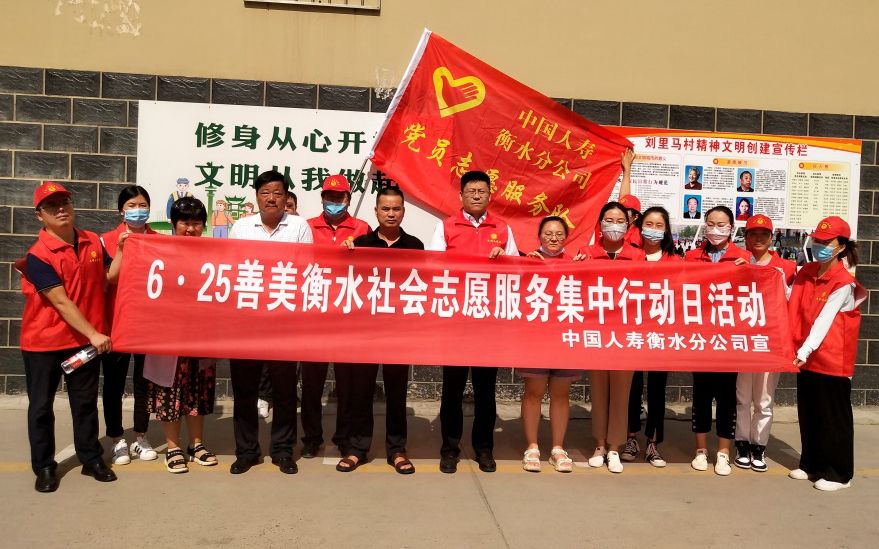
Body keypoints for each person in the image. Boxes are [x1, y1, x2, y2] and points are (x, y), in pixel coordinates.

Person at [18, 181, 124, 492]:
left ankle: (91, 459)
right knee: (41, 407)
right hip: (44, 343)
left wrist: (121, 249)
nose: (61, 209)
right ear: (40, 215)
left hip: (82, 344)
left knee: (85, 403)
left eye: (65, 202)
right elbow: (61, 301)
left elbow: (109, 277)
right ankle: (44, 467)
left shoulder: (92, 242)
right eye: (52, 206)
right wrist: (94, 333)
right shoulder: (38, 256)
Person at [428, 170, 518, 474]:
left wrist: (504, 259)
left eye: (482, 191)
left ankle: (484, 448)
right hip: (456, 321)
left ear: (490, 194)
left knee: (485, 390)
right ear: (461, 196)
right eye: (471, 191)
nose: (476, 195)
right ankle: (449, 449)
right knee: (452, 390)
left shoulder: (502, 228)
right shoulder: (446, 227)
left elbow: (516, 271)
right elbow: (433, 268)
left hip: (489, 323)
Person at [228, 170, 313, 475]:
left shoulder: (299, 227)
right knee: (245, 391)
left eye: (277, 193)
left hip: (284, 321)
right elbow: (233, 269)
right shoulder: (242, 227)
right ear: (257, 197)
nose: (271, 198)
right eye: (265, 193)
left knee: (285, 390)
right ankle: (247, 451)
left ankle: (282, 450)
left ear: (286, 197)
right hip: (247, 321)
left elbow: (306, 270)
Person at [336, 186, 424, 473]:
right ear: (376, 211)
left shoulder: (415, 246)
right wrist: (344, 255)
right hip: (366, 331)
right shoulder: (360, 244)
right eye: (385, 208)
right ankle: (357, 448)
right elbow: (343, 280)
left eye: (396, 208)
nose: (391, 214)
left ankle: (396, 449)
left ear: (403, 212)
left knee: (397, 392)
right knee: (361, 391)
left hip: (399, 332)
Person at [788, 216, 865, 491]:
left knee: (833, 416)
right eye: (817, 240)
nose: (819, 245)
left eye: (826, 242)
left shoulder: (842, 281)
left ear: (841, 246)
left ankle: (839, 474)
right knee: (810, 412)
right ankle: (811, 463)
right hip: (807, 356)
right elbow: (789, 297)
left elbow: (825, 318)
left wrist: (806, 349)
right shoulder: (808, 271)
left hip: (831, 357)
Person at [144, 197, 219, 474]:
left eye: (197, 223)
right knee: (170, 391)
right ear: (173, 224)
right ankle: (173, 446)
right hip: (168, 337)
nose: (190, 228)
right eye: (185, 222)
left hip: (201, 336)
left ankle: (196, 444)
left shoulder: (214, 254)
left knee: (198, 392)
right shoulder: (159, 252)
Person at [301, 174, 370, 459]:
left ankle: (344, 436)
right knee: (311, 382)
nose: (334, 202)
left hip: (347, 317)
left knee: (347, 383)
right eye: (329, 197)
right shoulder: (307, 226)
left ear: (348, 199)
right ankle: (311, 437)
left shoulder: (362, 228)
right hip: (315, 314)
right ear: (322, 199)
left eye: (339, 197)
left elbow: (371, 268)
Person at [574, 202, 644, 474]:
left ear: (628, 225)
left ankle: (615, 446)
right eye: (609, 220)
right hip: (597, 334)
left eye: (620, 220)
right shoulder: (587, 253)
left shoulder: (637, 255)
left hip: (626, 335)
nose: (614, 225)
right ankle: (600, 445)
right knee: (599, 391)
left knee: (621, 394)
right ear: (600, 224)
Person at [685, 206, 752, 476]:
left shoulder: (743, 257)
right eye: (711, 223)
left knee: (727, 397)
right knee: (701, 395)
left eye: (721, 224)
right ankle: (701, 450)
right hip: (701, 338)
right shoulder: (692, 257)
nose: (715, 229)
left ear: (731, 228)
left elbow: (755, 290)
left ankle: (723, 452)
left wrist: (749, 271)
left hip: (728, 339)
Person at [100, 185, 158, 466]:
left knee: (144, 382)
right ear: (121, 211)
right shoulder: (106, 240)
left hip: (148, 323)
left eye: (142, 205)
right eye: (132, 205)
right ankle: (116, 438)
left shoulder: (159, 240)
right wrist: (122, 248)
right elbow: (108, 280)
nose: (138, 210)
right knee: (113, 382)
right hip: (117, 322)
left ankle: (141, 436)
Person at [734, 214, 796, 472]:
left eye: (764, 234)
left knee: (764, 399)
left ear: (772, 238)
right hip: (743, 341)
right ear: (746, 238)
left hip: (771, 342)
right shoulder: (738, 262)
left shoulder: (787, 267)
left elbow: (792, 302)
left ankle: (758, 446)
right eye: (753, 234)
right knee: (742, 396)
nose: (758, 238)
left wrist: (779, 279)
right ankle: (741, 444)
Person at [621, 207, 681, 468]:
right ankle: (630, 437)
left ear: (666, 230)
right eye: (649, 224)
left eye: (659, 225)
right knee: (632, 387)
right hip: (632, 332)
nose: (653, 230)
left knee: (657, 389)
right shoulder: (630, 257)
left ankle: (653, 442)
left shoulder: (675, 261)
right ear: (639, 227)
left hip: (661, 334)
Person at [520, 216, 578, 473]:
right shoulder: (529, 261)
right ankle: (532, 446)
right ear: (539, 236)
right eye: (548, 233)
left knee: (561, 394)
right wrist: (525, 266)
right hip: (535, 338)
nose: (553, 238)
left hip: (565, 338)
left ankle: (557, 448)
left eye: (559, 234)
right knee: (533, 392)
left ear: (566, 237)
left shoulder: (576, 264)